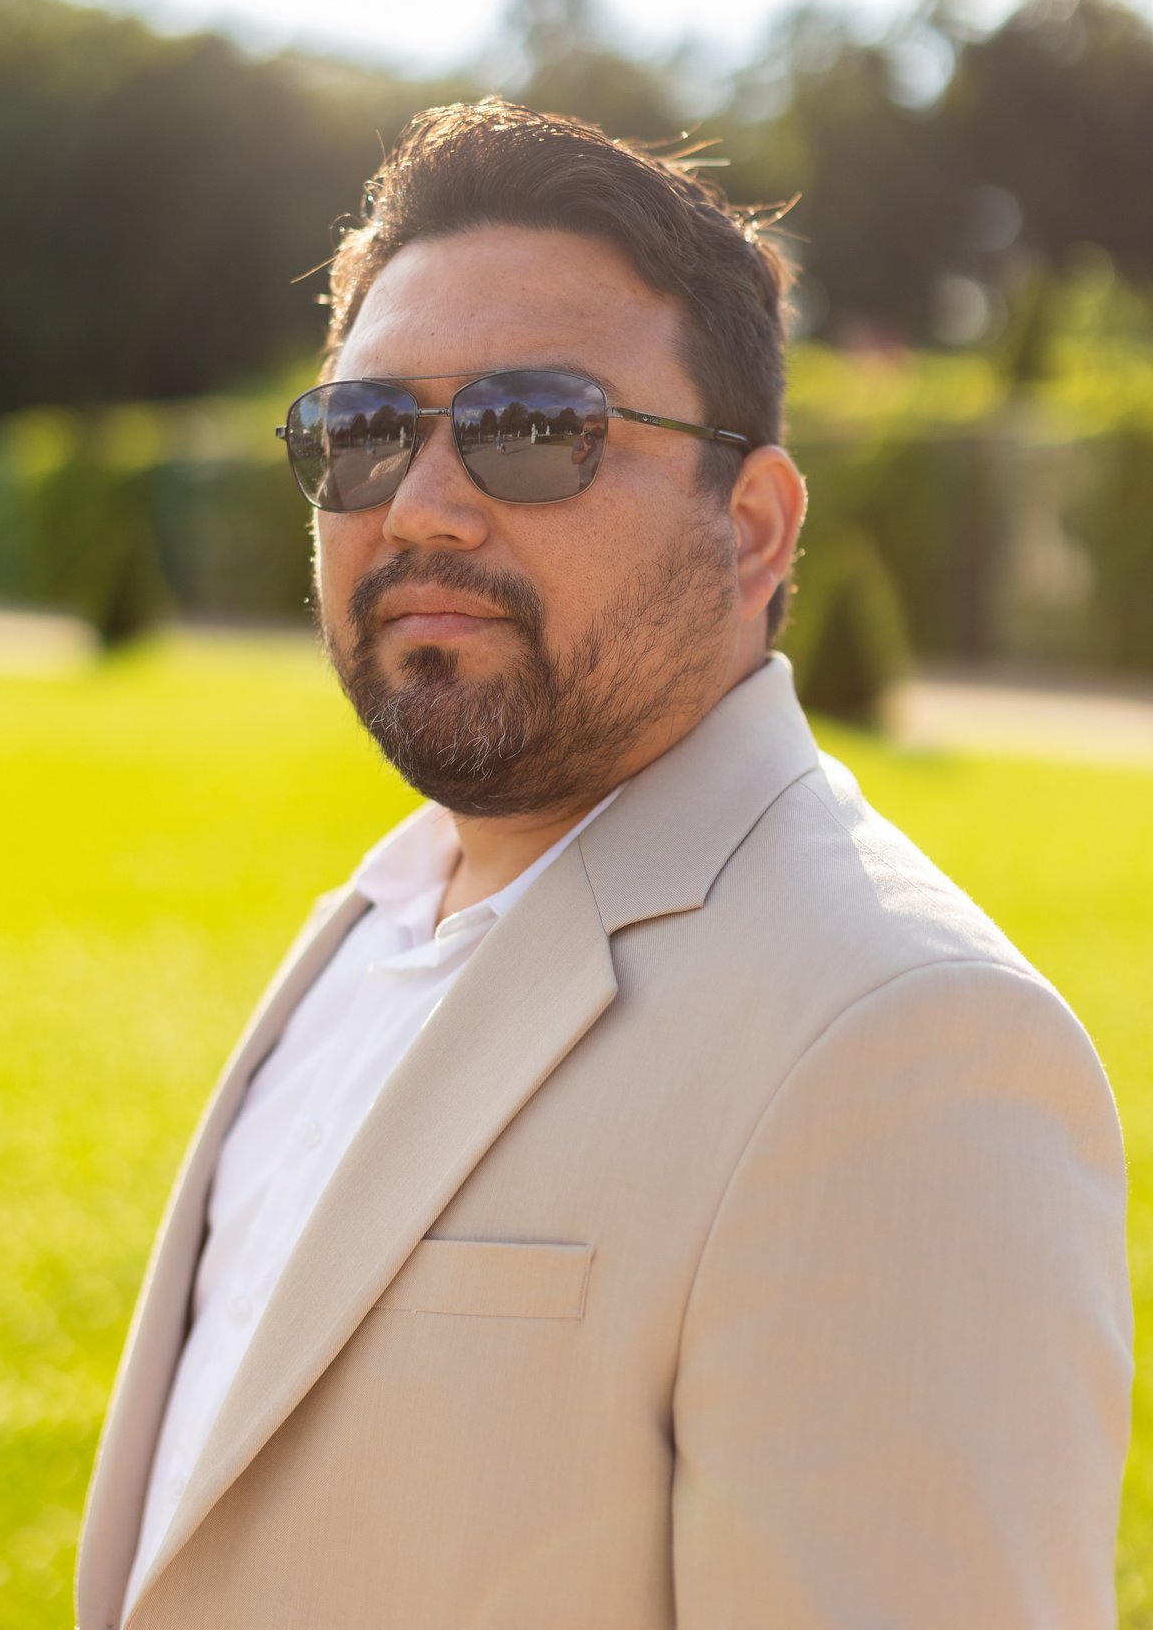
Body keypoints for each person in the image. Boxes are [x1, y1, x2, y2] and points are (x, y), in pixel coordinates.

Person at [77, 100, 1133, 1630]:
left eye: (530, 427)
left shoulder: (903, 1041)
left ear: (753, 527)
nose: (421, 506)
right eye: (364, 432)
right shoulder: (374, 920)